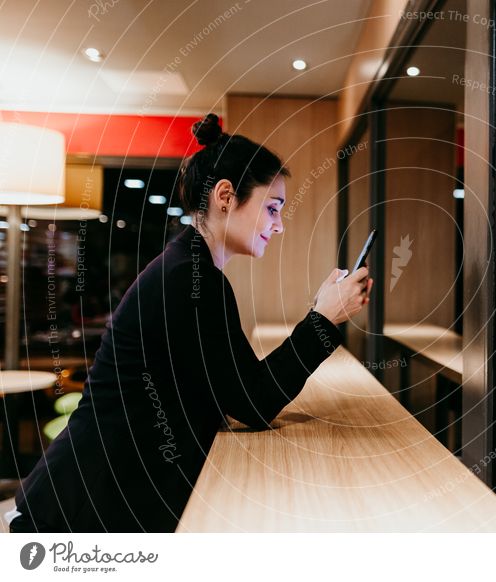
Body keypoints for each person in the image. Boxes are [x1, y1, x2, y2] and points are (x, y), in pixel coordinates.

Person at [7, 114, 373, 532]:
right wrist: (323, 318)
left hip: (98, 493)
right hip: (83, 509)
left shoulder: (191, 269)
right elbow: (253, 402)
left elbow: (237, 388)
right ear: (224, 195)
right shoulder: (189, 279)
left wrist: (320, 318)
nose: (279, 224)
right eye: (272, 207)